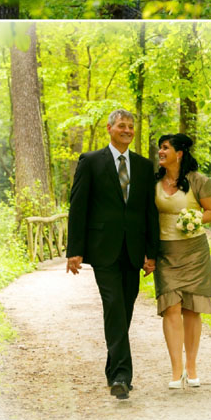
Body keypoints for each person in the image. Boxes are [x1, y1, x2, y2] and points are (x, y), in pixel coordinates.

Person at [67, 109, 160, 399]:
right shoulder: (91, 161)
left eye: (131, 126)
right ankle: (122, 376)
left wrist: (152, 252)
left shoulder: (145, 167)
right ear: (109, 128)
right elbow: (78, 206)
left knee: (125, 310)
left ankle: (114, 370)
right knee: (114, 305)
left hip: (133, 251)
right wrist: (75, 251)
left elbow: (149, 212)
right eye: (122, 125)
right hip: (103, 249)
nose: (127, 130)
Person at [153, 133, 211, 389]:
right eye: (160, 147)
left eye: (165, 147)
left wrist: (193, 219)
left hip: (194, 252)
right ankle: (175, 370)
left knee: (191, 308)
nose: (160, 151)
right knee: (170, 308)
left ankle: (191, 367)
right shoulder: (153, 182)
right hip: (165, 252)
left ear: (179, 153)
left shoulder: (198, 181)